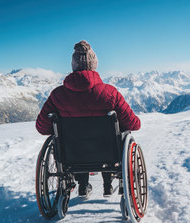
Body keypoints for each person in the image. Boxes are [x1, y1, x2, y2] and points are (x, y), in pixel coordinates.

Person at [35, 40, 141, 198]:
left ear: (73, 66)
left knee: (76, 143)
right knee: (118, 134)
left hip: (71, 156)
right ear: (94, 65)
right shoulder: (110, 93)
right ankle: (107, 184)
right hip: (108, 155)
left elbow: (42, 127)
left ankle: (83, 186)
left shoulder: (57, 95)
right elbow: (134, 124)